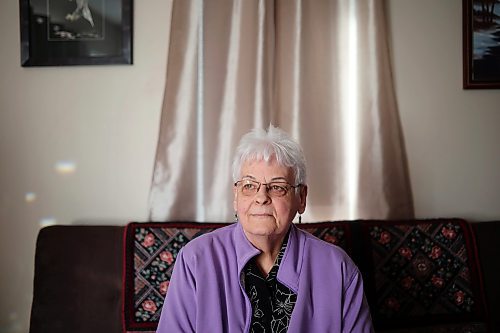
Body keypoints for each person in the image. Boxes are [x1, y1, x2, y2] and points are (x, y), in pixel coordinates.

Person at [156, 125, 374, 333]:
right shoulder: (195, 260)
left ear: (302, 198)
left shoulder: (339, 268)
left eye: (277, 187)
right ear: (236, 196)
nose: (261, 198)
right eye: (249, 186)